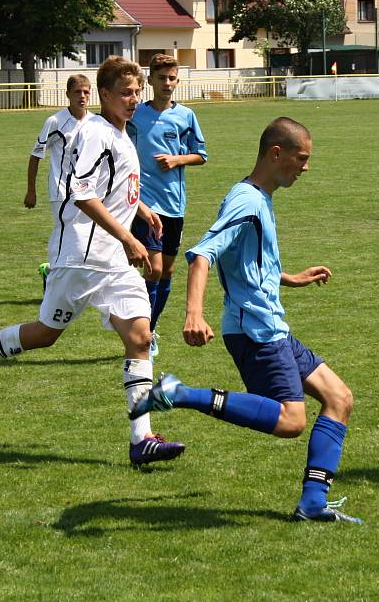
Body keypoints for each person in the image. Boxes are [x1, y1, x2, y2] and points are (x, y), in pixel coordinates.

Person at [0, 56, 185, 466]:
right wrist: (128, 238)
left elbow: (114, 188)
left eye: (137, 91)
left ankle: (142, 439)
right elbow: (82, 194)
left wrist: (142, 211)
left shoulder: (122, 134)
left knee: (140, 337)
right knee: (45, 334)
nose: (133, 99)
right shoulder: (95, 134)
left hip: (112, 263)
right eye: (125, 93)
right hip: (81, 255)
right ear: (104, 95)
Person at [130, 117, 362, 523]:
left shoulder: (258, 196)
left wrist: (288, 277)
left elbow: (246, 260)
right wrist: (193, 313)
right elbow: (202, 255)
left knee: (339, 398)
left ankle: (312, 504)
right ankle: (182, 393)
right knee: (291, 420)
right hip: (255, 333)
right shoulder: (247, 200)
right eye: (301, 158)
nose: (305, 167)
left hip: (272, 327)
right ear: (277, 154)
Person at [129, 54, 208, 360]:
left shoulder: (186, 116)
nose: (167, 83)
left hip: (175, 204)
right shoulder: (136, 114)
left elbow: (201, 154)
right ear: (150, 81)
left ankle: (150, 325)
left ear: (177, 80)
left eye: (172, 78)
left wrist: (177, 159)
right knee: (155, 267)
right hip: (145, 203)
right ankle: (144, 333)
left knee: (167, 272)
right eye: (161, 78)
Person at [24, 74, 94, 291]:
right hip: (61, 191)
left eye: (86, 91)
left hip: (87, 192)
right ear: (67, 95)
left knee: (84, 239)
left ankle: (62, 278)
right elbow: (36, 156)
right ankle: (53, 276)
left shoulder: (95, 122)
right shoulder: (55, 121)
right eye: (77, 92)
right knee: (65, 236)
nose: (82, 96)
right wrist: (31, 191)